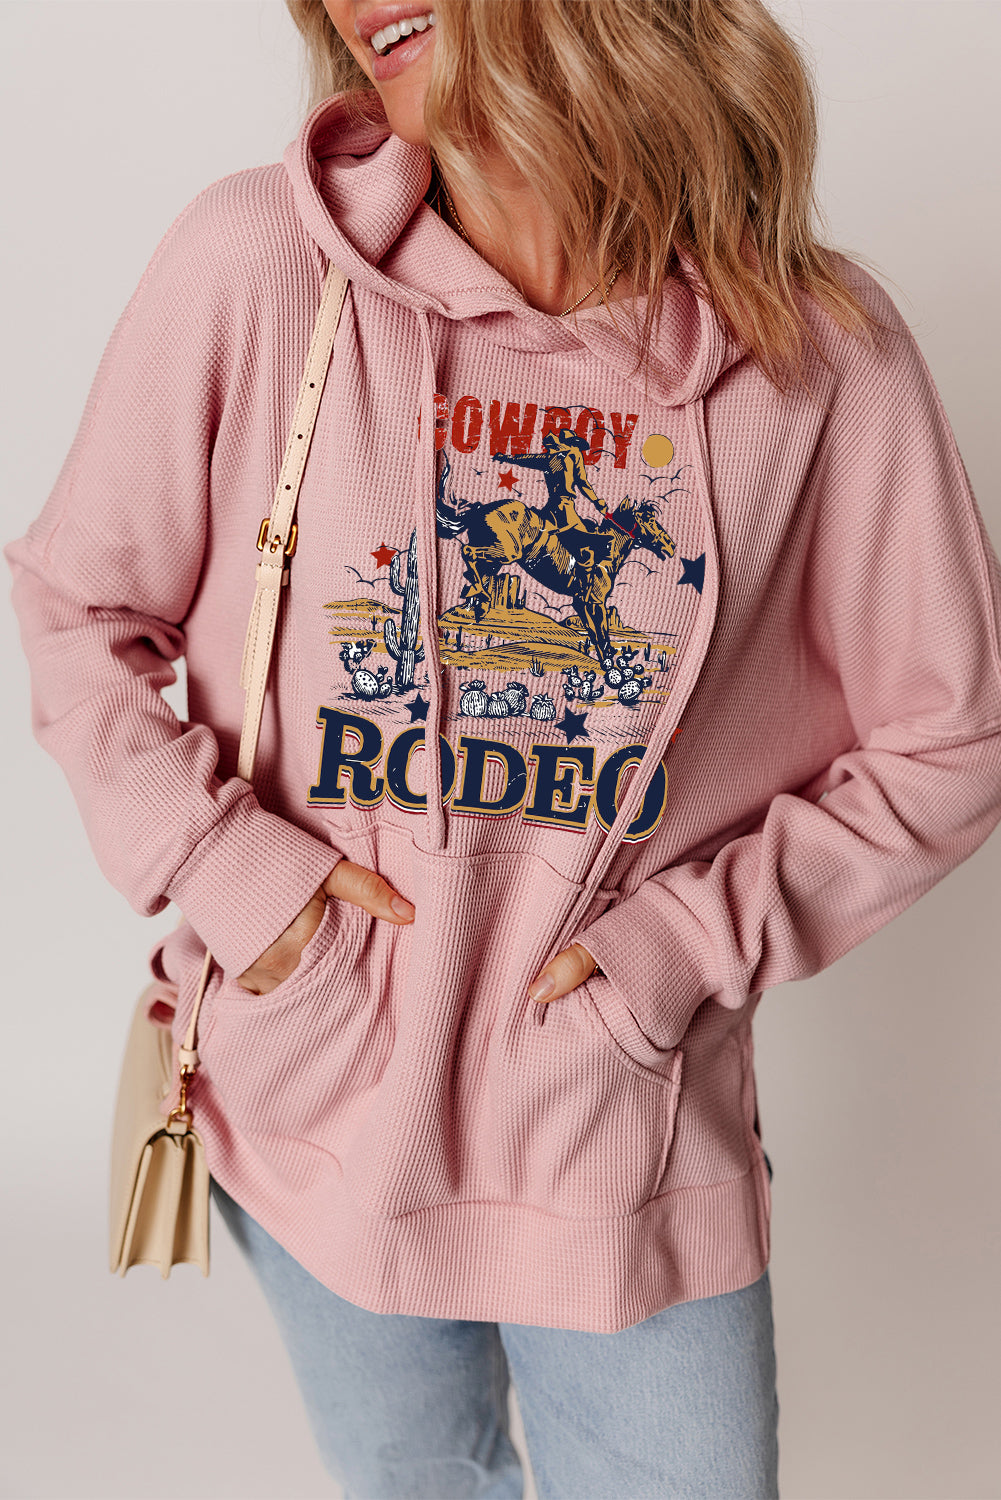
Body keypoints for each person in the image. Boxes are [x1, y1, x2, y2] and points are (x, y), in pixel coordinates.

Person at [7, 1, 1001, 1496]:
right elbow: (76, 606)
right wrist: (237, 877)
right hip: (314, 1086)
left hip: (617, 1132)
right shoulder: (262, 263)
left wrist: (679, 951)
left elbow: (955, 733)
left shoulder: (812, 351)